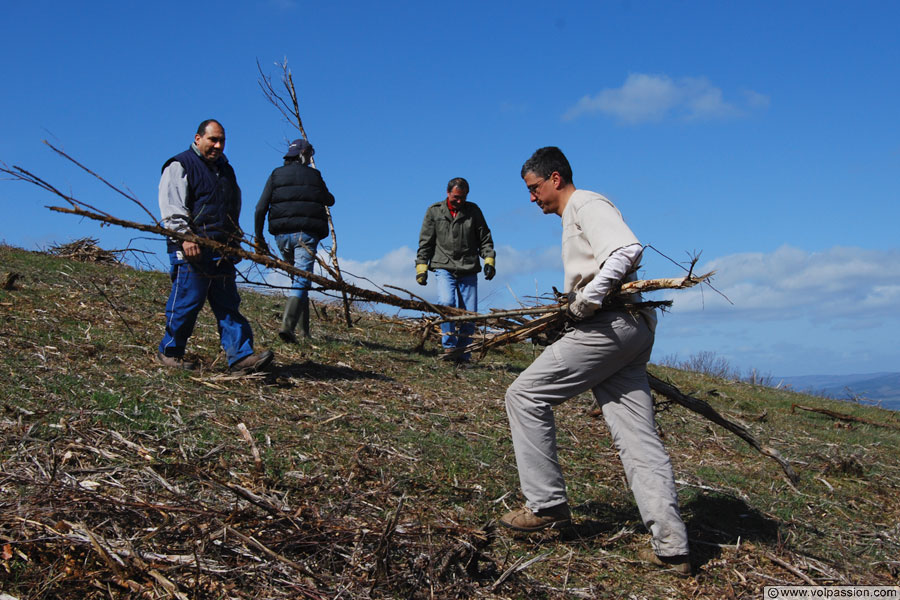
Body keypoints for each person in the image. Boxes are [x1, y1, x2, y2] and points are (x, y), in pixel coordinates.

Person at [499, 147, 691, 576]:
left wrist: (587, 300)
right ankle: (673, 548)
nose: (532, 199)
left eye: (534, 189)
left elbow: (626, 250)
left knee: (524, 395)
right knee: (637, 437)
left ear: (554, 178)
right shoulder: (573, 215)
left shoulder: (585, 202)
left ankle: (546, 505)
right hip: (632, 329)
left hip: (611, 325)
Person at [157, 119, 274, 373]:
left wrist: (234, 239)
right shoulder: (180, 165)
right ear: (198, 138)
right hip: (192, 247)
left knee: (228, 304)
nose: (218, 145)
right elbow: (172, 206)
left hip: (221, 250)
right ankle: (170, 352)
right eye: (213, 139)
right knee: (187, 302)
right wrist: (185, 237)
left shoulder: (226, 170)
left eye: (222, 140)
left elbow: (232, 204)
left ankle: (241, 357)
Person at [254, 138, 335, 342]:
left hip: (281, 236)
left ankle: (305, 333)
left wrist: (259, 236)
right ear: (304, 155)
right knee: (301, 280)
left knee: (299, 280)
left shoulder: (275, 174)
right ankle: (287, 327)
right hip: (306, 235)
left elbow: (260, 208)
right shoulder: (314, 175)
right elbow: (330, 200)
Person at [415, 177, 495, 362]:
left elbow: (485, 239)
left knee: (469, 314)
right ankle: (450, 348)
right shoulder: (434, 212)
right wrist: (421, 268)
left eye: (463, 197)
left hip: (468, 268)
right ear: (448, 193)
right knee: (447, 302)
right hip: (443, 266)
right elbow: (425, 242)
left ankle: (464, 353)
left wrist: (489, 261)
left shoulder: (473, 211)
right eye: (456, 197)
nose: (459, 201)